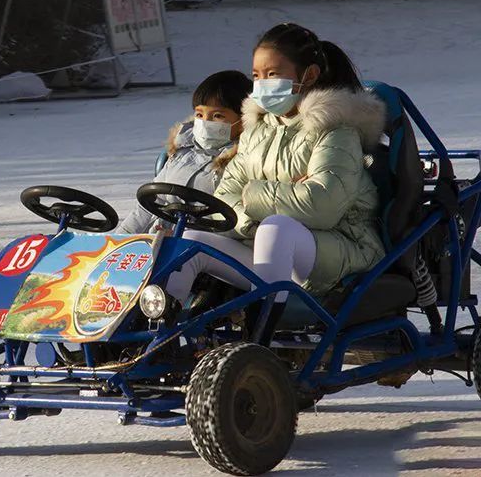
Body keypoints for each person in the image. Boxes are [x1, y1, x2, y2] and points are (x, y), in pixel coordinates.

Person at [165, 23, 387, 331]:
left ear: (307, 76)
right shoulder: (257, 130)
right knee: (190, 243)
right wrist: (258, 216)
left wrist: (253, 194)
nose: (261, 84)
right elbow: (224, 199)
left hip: (340, 250)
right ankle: (157, 338)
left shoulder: (336, 132)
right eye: (256, 76)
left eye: (272, 75)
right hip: (267, 246)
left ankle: (260, 340)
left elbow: (320, 206)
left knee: (277, 227)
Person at [117, 70, 252, 234]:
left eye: (217, 116)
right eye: (200, 114)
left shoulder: (246, 158)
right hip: (164, 238)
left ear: (243, 118)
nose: (205, 122)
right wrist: (119, 240)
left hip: (210, 243)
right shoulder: (183, 150)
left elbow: (238, 219)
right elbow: (151, 203)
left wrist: (182, 233)